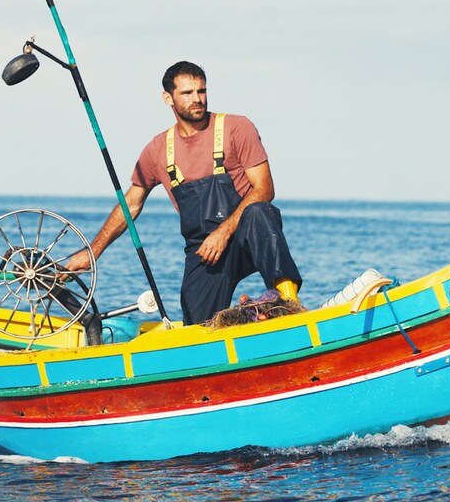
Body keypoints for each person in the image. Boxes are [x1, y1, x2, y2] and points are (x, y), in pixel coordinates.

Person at [65, 61, 302, 325]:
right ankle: (250, 312)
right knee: (199, 327)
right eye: (187, 93)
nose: (197, 99)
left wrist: (222, 233)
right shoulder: (157, 149)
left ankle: (289, 306)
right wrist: (93, 252)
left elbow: (264, 189)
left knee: (259, 212)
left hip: (244, 234)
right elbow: (130, 204)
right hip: (204, 250)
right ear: (168, 98)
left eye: (201, 91)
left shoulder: (236, 127)